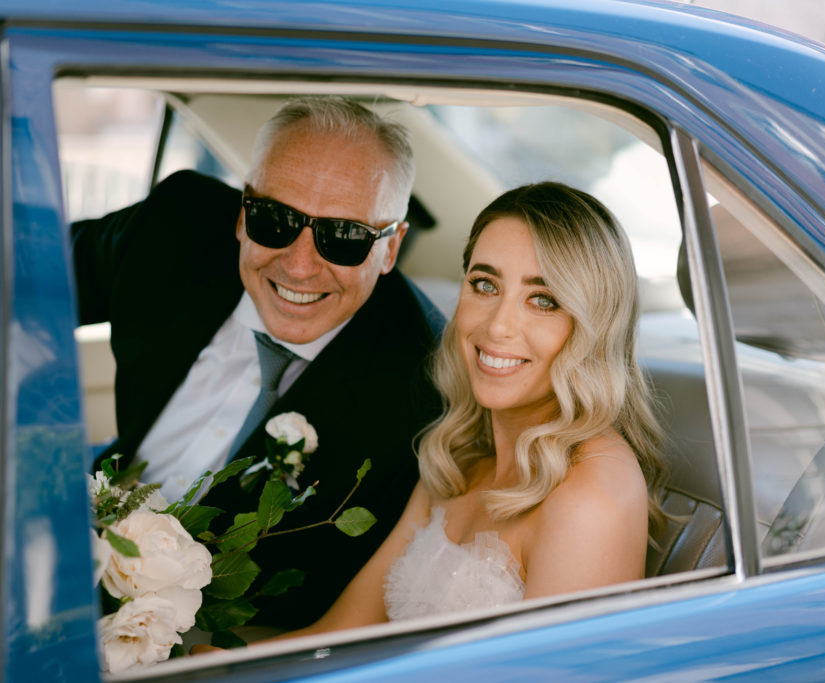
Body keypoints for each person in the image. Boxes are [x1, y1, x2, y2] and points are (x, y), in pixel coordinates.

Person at [70, 97, 445, 629]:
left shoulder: (422, 389)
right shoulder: (174, 227)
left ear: (390, 248)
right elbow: (20, 278)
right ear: (243, 214)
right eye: (275, 220)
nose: (298, 265)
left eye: (343, 238)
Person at [259, 181, 666, 637]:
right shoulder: (461, 456)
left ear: (595, 325)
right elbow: (340, 631)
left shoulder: (593, 491)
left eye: (543, 300)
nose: (498, 326)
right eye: (484, 285)